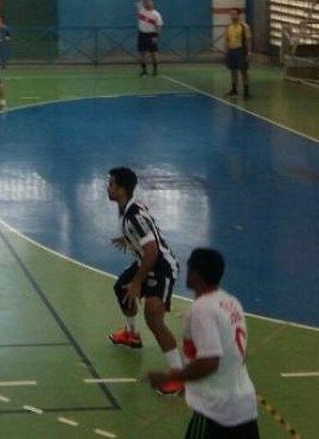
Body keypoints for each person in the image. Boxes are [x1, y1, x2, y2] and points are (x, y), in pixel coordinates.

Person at [147, 248, 260, 438]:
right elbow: (238, 353)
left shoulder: (202, 310)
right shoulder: (231, 303)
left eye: (189, 267)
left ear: (196, 274)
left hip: (215, 410)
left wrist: (171, 377)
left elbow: (210, 362)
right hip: (245, 407)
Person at [105, 166, 184, 397]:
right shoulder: (125, 209)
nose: (107, 187)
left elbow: (152, 251)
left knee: (153, 317)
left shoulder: (134, 215)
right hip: (146, 261)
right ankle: (131, 336)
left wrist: (138, 281)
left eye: (111, 184)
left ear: (122, 190)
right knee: (121, 288)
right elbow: (145, 239)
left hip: (161, 267)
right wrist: (128, 239)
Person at [135, 0, 163, 76]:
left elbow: (159, 26)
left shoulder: (156, 14)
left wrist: (156, 37)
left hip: (152, 35)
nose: (148, 3)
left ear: (153, 3)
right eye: (146, 2)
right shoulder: (141, 9)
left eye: (150, 2)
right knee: (142, 53)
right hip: (142, 34)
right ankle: (144, 71)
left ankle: (155, 70)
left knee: (154, 53)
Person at [225, 9, 252, 98]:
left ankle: (246, 91)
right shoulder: (229, 27)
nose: (233, 16)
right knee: (233, 71)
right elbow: (227, 39)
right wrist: (227, 51)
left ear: (238, 15)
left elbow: (248, 40)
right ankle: (234, 90)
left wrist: (249, 52)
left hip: (241, 51)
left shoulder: (244, 26)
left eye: (234, 14)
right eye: (231, 14)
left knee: (243, 71)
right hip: (232, 51)